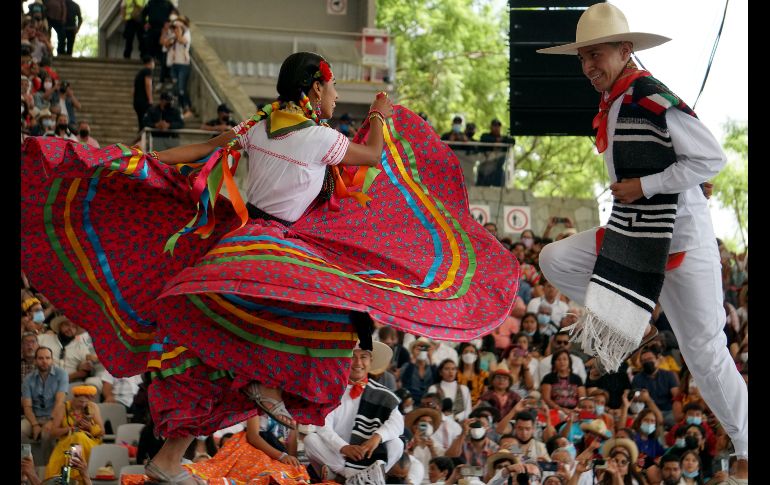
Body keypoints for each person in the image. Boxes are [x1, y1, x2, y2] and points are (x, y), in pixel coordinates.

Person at [22, 52, 519, 485]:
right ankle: (265, 379)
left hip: (237, 241)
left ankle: (171, 457)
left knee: (208, 360)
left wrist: (136, 163)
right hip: (269, 247)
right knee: (338, 319)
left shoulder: (259, 126)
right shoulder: (318, 138)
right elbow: (371, 154)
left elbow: (203, 150)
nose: (335, 94)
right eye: (333, 86)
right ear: (316, 88)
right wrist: (379, 114)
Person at [536, 2, 747, 472]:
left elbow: (710, 158)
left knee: (707, 355)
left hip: (683, 244)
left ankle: (748, 445)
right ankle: (627, 318)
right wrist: (677, 178)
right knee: (555, 258)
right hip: (634, 238)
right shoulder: (619, 100)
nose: (590, 66)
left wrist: (647, 186)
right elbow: (687, 165)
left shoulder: (648, 96)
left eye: (597, 55)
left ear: (625, 50)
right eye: (583, 58)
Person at [303, 341, 403, 483]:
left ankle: (366, 475)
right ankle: (352, 476)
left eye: (363, 357)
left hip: (368, 453)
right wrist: (343, 447)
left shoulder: (382, 394)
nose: (358, 362)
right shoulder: (332, 391)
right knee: (310, 440)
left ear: (371, 361)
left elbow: (397, 423)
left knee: (397, 443)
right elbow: (323, 425)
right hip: (338, 454)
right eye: (352, 356)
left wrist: (376, 438)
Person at [45, 384, 104, 481]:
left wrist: (90, 427)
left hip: (89, 443)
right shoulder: (63, 407)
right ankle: (74, 475)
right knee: (77, 437)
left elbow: (102, 432)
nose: (83, 404)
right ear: (74, 398)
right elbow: (53, 432)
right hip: (66, 444)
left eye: (86, 402)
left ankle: (76, 474)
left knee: (79, 436)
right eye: (80, 401)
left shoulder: (92, 407)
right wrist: (72, 427)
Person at [163, 14, 192, 118]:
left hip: (183, 65)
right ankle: (180, 108)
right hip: (174, 65)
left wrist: (179, 32)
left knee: (181, 88)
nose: (176, 28)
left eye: (180, 24)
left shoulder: (187, 33)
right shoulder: (173, 34)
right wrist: (169, 33)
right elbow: (165, 43)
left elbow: (182, 41)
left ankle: (187, 108)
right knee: (176, 88)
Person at [133, 54, 154, 130]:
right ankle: (142, 140)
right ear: (151, 62)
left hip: (137, 101)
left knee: (141, 123)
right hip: (144, 101)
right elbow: (148, 85)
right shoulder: (148, 71)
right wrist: (150, 99)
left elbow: (134, 89)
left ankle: (140, 139)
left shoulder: (139, 73)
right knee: (145, 123)